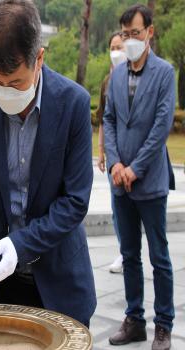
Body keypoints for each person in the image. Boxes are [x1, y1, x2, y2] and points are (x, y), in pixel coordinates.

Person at [0, 0, 96, 332]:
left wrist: (21, 244)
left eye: (16, 83)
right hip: (0, 281)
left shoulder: (72, 104)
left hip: (61, 280)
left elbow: (75, 201)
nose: (5, 92)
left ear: (40, 59)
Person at [103, 4, 176, 350]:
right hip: (120, 183)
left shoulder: (165, 73)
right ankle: (134, 320)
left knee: (159, 257)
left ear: (150, 32)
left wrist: (135, 168)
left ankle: (163, 325)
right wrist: (116, 164)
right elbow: (110, 120)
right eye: (125, 34)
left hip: (149, 181)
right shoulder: (117, 74)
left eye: (135, 33)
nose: (130, 40)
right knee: (129, 253)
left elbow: (161, 127)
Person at [96, 32, 127, 274]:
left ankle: (132, 252)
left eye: (120, 46)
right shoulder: (108, 81)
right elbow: (104, 119)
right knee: (118, 210)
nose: (115, 51)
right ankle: (124, 252)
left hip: (135, 158)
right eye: (112, 47)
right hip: (113, 156)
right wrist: (102, 151)